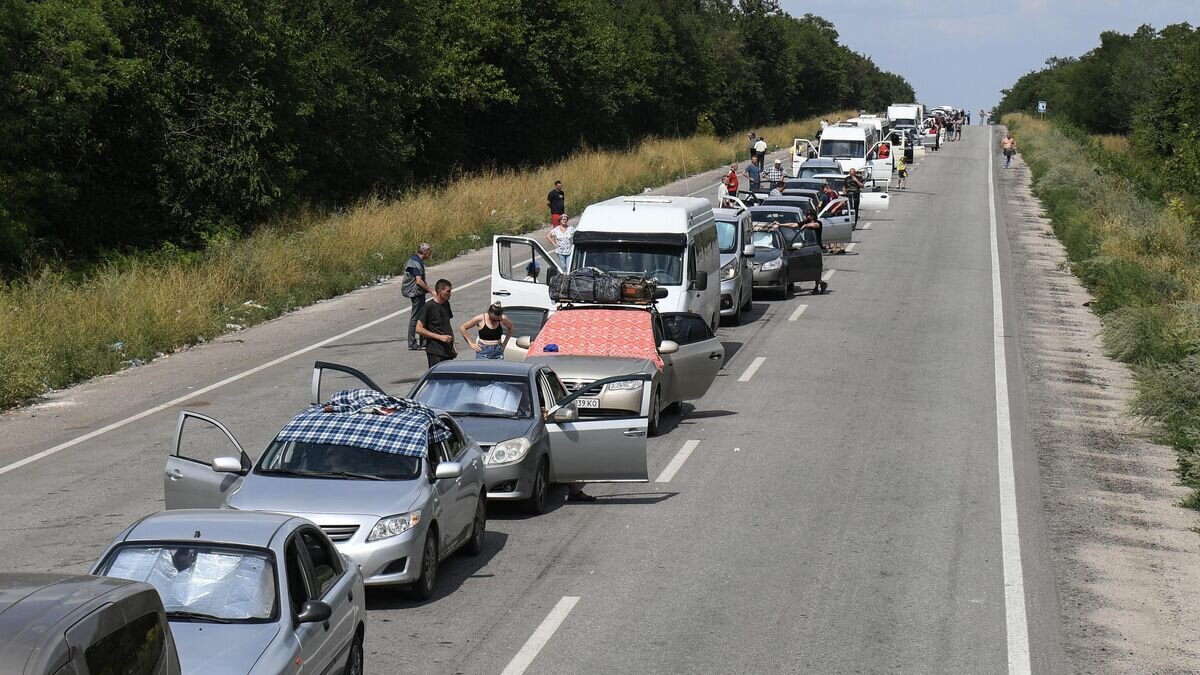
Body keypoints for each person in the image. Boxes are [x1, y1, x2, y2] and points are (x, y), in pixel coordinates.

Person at [416, 279, 456, 367]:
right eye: (448, 291)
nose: (450, 293)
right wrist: (439, 337)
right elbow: (418, 329)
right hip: (435, 350)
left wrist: (453, 344)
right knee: (437, 377)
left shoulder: (446, 304)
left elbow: (447, 324)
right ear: (439, 291)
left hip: (447, 348)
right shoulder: (429, 306)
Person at [403, 243, 433, 350]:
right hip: (416, 293)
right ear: (424, 252)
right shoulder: (416, 263)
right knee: (415, 318)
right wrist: (431, 291)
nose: (430, 254)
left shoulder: (415, 260)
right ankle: (412, 343)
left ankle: (423, 341)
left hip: (418, 292)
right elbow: (419, 281)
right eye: (429, 251)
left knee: (422, 317)